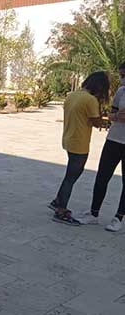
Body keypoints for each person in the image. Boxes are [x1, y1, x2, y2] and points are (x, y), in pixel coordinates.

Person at [50, 71, 110, 225]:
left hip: (69, 139)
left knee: (70, 174)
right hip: (80, 143)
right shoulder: (90, 100)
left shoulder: (72, 95)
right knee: (71, 177)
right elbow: (96, 122)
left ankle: (58, 201)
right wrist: (110, 120)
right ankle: (61, 211)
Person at [82, 65, 125, 231]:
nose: (121, 79)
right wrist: (116, 116)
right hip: (114, 139)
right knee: (102, 177)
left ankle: (118, 218)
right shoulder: (121, 92)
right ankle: (94, 213)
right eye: (121, 75)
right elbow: (111, 115)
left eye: (123, 75)